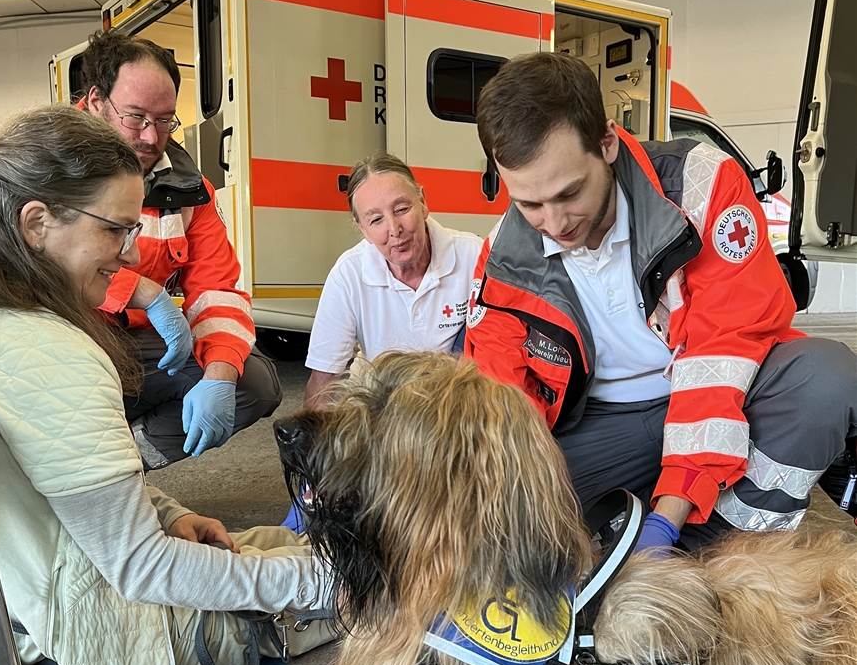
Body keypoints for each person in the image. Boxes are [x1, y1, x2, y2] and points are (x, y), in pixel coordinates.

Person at [0, 106, 330, 665]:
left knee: (271, 552)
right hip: (77, 648)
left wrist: (166, 514)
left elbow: (52, 476)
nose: (134, 256)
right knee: (342, 573)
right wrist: (323, 586)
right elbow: (143, 569)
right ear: (36, 222)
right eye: (114, 230)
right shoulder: (54, 352)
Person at [465, 52, 856, 552]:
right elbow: (501, 406)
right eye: (529, 204)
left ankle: (729, 550)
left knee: (823, 379)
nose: (556, 224)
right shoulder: (504, 257)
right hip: (601, 424)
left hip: (707, 390)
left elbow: (723, 351)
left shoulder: (701, 185)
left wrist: (668, 516)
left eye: (570, 193)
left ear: (607, 142)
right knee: (508, 522)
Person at [77, 31, 281, 467]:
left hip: (137, 345)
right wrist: (142, 292)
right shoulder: (44, 161)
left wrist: (221, 374)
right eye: (135, 118)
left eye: (166, 120)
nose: (152, 138)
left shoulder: (191, 192)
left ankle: (121, 469)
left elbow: (216, 290)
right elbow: (30, 267)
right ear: (96, 101)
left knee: (253, 381)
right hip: (60, 340)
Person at [303, 153, 482, 408]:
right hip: (381, 401)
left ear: (423, 202)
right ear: (362, 229)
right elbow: (324, 378)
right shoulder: (349, 273)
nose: (395, 229)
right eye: (376, 220)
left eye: (401, 209)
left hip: (452, 403)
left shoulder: (473, 255)